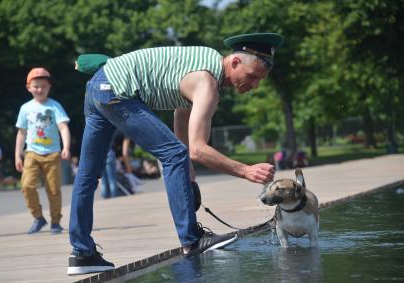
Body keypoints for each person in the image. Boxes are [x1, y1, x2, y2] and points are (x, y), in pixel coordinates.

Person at [68, 33, 281, 275]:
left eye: (259, 81)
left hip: (98, 85)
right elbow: (198, 150)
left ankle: (82, 253)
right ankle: (192, 240)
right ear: (234, 62)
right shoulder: (207, 82)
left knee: (88, 174)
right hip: (117, 91)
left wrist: (188, 177)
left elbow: (183, 121)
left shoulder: (200, 64)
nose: (254, 85)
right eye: (252, 77)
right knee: (173, 154)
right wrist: (245, 170)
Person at [15, 67, 71, 234]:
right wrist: (17, 154)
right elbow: (21, 132)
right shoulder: (25, 108)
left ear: (49, 87)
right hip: (31, 152)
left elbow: (63, 127)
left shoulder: (55, 106)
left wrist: (66, 147)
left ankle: (55, 221)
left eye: (43, 86)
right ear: (29, 87)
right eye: (36, 86)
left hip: (53, 152)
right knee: (27, 186)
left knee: (53, 189)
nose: (39, 89)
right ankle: (38, 217)